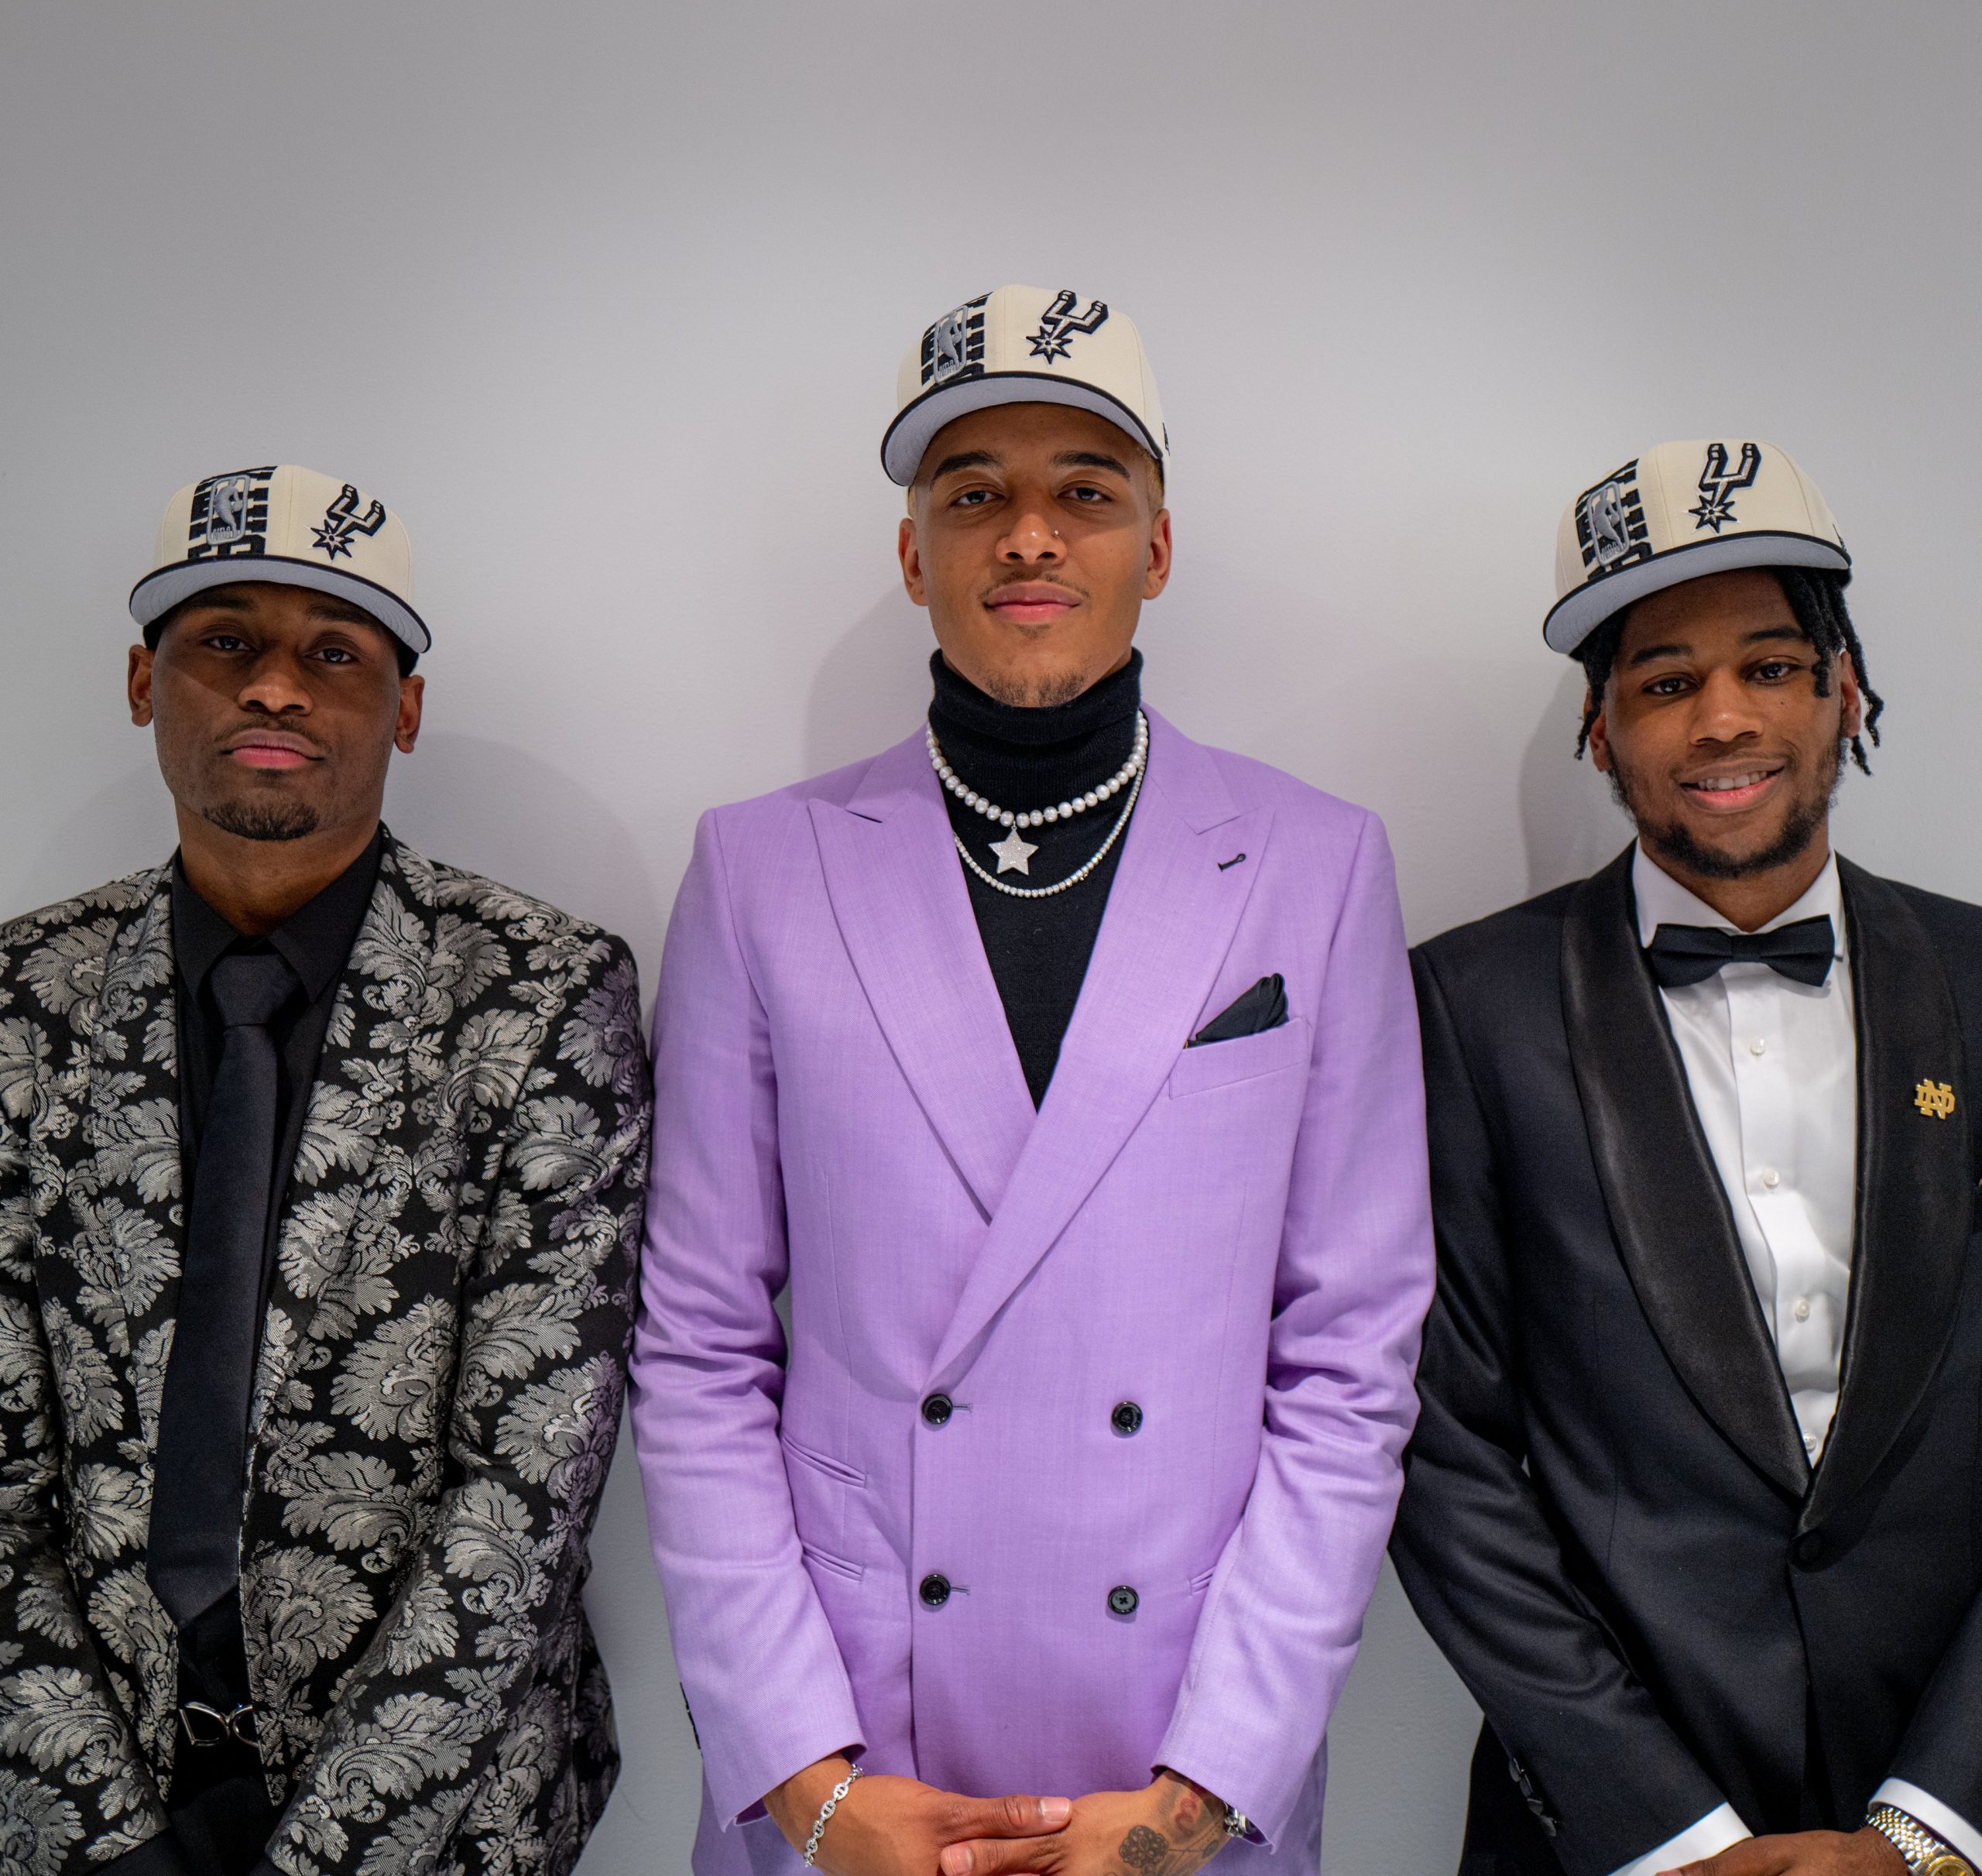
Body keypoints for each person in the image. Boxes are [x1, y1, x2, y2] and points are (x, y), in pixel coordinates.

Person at [629, 283, 1435, 1876]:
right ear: (911, 551)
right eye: (972, 493)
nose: (1027, 536)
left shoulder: (1315, 864)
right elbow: (700, 1346)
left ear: (1156, 543)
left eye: (1085, 489)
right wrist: (801, 1774)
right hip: (859, 1747)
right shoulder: (761, 868)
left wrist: (1204, 1790)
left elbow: (1351, 1355)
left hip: (1178, 1747)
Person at [0, 465, 652, 1876]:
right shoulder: (22, 998)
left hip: (442, 1818)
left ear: (404, 708)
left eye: (334, 652)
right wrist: (102, 1839)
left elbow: (522, 1505)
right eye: (224, 639)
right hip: (89, 1794)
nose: (275, 687)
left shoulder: (540, 995)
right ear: (143, 681)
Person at [1390, 441, 1982, 1876]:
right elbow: (1436, 1446)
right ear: (1601, 732)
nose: (1724, 719)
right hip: (1609, 1824)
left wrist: (1929, 1821)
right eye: (1664, 683)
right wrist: (1672, 1836)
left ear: (1847, 691)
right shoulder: (1462, 1008)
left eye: (1771, 666)